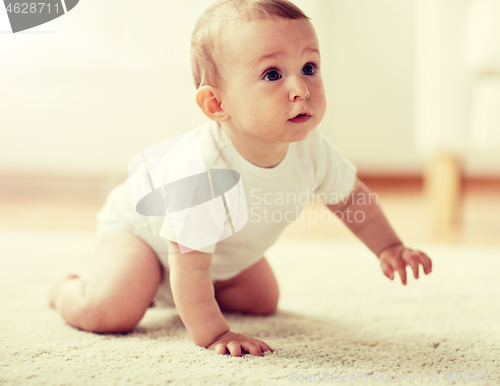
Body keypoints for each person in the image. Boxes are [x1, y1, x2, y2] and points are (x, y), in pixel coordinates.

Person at [50, 0, 432, 358]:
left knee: (262, 300)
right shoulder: (203, 171)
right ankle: (67, 289)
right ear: (217, 105)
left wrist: (389, 247)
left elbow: (350, 199)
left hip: (215, 254)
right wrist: (215, 334)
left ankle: (165, 295)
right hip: (143, 238)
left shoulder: (312, 148)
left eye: (309, 68)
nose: (300, 88)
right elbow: (190, 266)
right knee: (112, 311)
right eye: (272, 74)